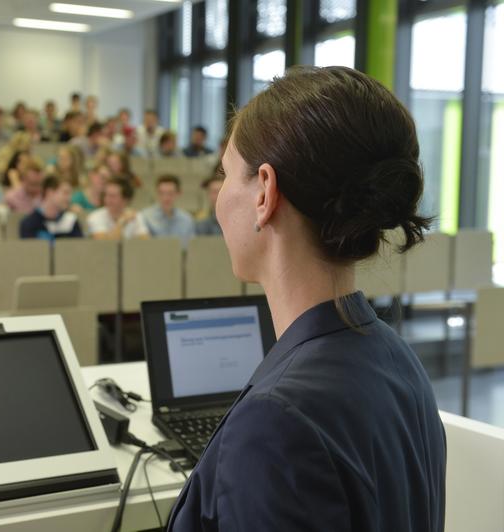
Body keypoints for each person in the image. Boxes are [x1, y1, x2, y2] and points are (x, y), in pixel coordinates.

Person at [167, 66, 445, 531]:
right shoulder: (396, 358)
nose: (219, 196)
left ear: (265, 193)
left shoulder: (274, 423)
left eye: (227, 173)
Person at [140, 174, 195, 246]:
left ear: (178, 193)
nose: (165, 198)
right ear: (156, 193)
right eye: (161, 193)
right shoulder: (145, 217)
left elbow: (191, 249)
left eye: (170, 193)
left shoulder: (187, 220)